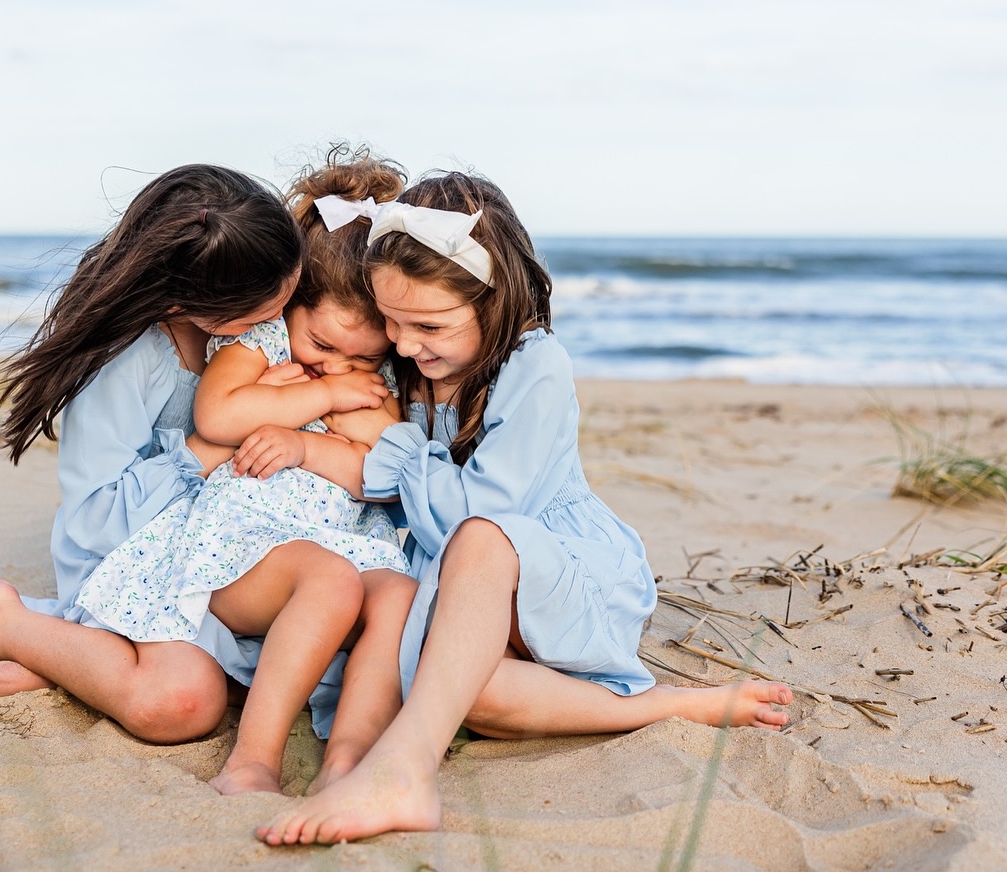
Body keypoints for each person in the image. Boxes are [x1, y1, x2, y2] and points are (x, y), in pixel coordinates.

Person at [258, 172, 793, 845]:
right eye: (391, 321)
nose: (402, 344)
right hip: (471, 601)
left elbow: (474, 517)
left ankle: (404, 772)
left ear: (495, 298)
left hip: (555, 573)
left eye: (428, 325)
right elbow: (365, 465)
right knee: (463, 692)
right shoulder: (414, 365)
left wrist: (394, 447)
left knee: (480, 540)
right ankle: (674, 705)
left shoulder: (535, 367)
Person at [0, 163, 313, 743]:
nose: (280, 316)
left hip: (215, 548)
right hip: (128, 562)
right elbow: (93, 519)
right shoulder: (129, 361)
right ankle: (4, 623)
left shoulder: (244, 326)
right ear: (185, 300)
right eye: (263, 308)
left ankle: (70, 666)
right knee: (182, 703)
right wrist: (206, 449)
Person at [76, 148, 418, 796]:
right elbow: (218, 413)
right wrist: (314, 403)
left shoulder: (372, 380)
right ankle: (252, 762)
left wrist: (312, 446)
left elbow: (383, 465)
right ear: (288, 305)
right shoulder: (262, 345)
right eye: (323, 345)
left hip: (339, 542)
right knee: (332, 583)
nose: (337, 368)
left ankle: (347, 756)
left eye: (363, 358)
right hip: (241, 545)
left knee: (395, 595)